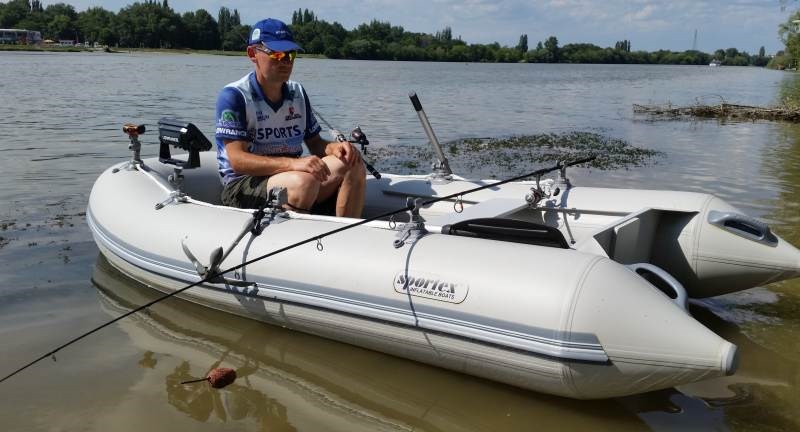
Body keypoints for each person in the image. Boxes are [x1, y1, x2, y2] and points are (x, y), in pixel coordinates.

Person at [214, 18, 366, 217]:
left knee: (353, 162)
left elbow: (315, 143)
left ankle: (344, 231)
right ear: (252, 54)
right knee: (304, 182)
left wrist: (334, 148)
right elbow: (237, 160)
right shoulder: (234, 96)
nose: (286, 61)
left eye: (290, 54)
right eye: (277, 54)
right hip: (243, 183)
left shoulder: (298, 92)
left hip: (293, 175)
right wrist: (294, 164)